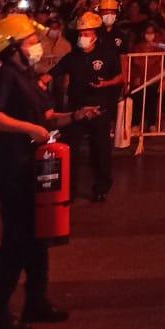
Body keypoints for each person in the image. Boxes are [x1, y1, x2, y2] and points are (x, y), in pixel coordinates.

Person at [0, 12, 96, 329]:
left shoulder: (27, 76)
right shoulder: (6, 77)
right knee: (16, 241)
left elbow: (48, 117)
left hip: (32, 167)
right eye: (30, 41)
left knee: (38, 236)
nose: (36, 45)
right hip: (13, 168)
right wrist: (29, 129)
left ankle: (36, 301)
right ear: (13, 47)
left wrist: (77, 116)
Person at [50, 12, 122, 202]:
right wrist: (40, 81)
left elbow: (119, 77)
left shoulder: (107, 54)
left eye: (87, 33)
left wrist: (106, 84)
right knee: (70, 152)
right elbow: (53, 72)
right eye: (81, 33)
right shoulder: (72, 56)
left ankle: (101, 188)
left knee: (100, 151)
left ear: (96, 34)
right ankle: (69, 191)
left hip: (99, 109)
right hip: (77, 111)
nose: (84, 37)